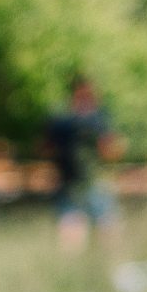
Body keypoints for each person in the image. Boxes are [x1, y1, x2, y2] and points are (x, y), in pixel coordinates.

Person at [47, 77, 122, 250]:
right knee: (107, 230)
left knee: (73, 233)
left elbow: (45, 148)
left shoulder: (60, 119)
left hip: (69, 182)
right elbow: (109, 150)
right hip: (92, 181)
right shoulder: (96, 119)